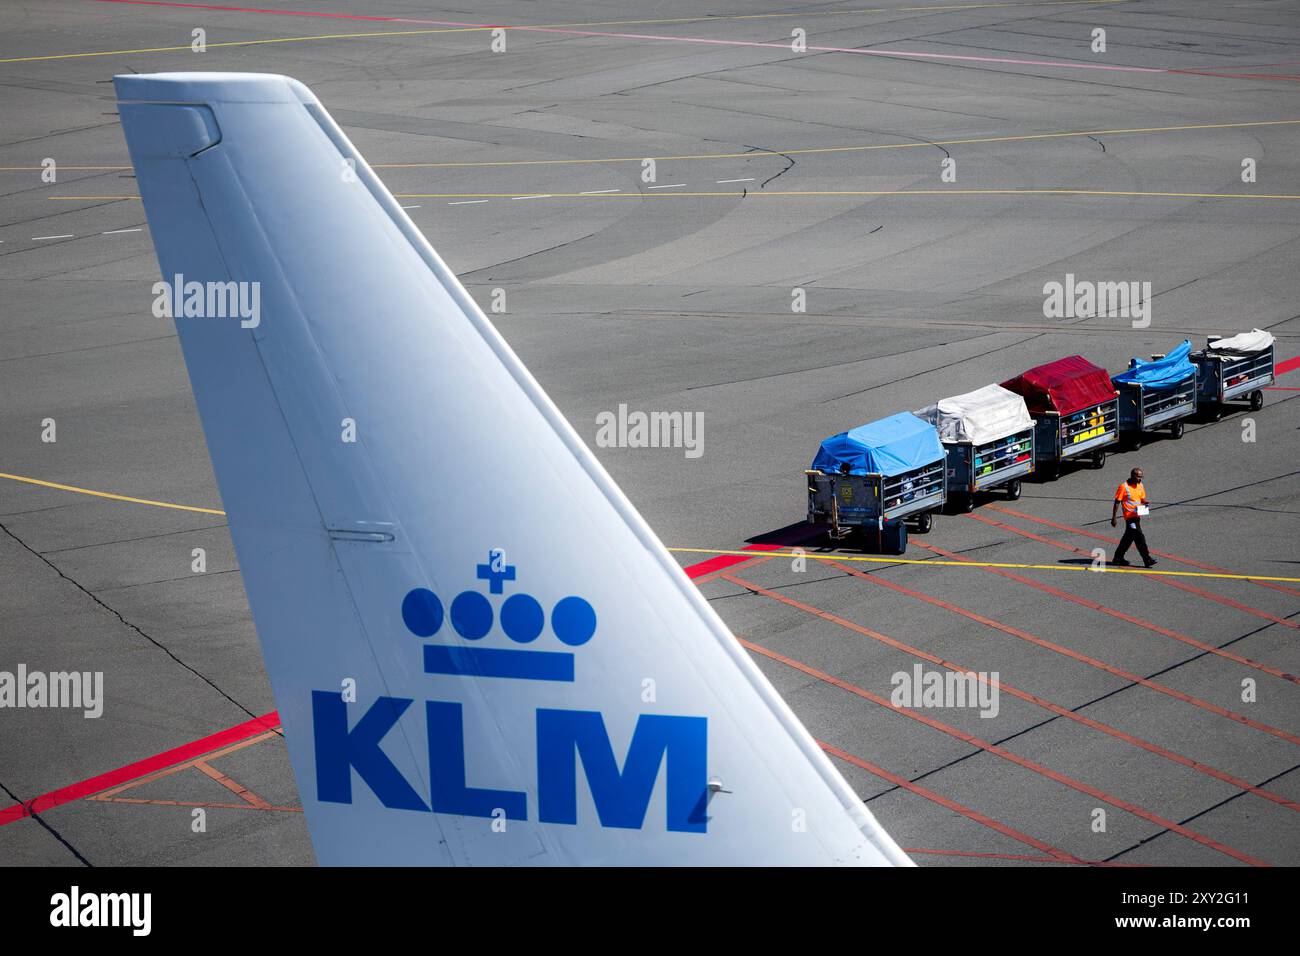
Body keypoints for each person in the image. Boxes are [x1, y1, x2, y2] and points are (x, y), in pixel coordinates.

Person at [1111, 467, 1156, 568]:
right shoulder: (1124, 487)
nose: (1140, 479)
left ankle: (1118, 558)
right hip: (1130, 518)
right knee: (1140, 537)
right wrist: (1114, 517)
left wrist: (1145, 502)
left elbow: (1141, 498)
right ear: (1133, 476)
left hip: (1137, 516)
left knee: (1128, 538)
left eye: (1141, 477)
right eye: (1138, 477)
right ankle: (1147, 559)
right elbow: (1117, 502)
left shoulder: (1140, 485)